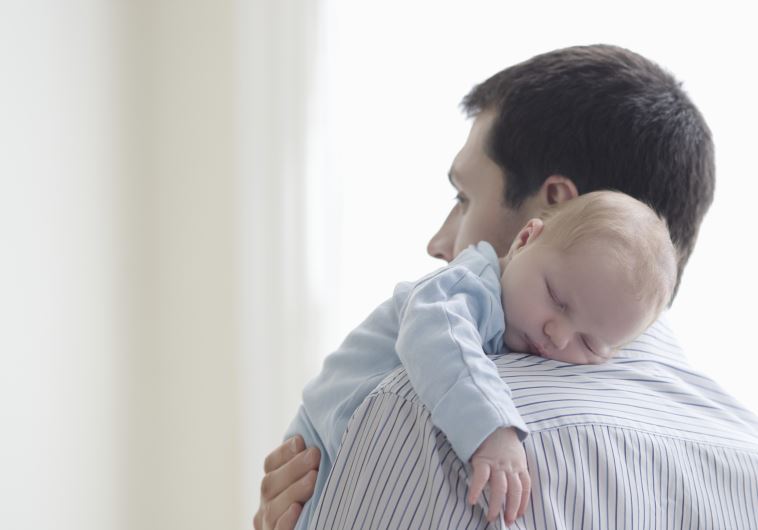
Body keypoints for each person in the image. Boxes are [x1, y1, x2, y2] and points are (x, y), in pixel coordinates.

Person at [254, 44, 758, 530]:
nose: (438, 244)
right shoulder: (743, 454)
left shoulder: (429, 407)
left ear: (551, 208)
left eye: (464, 197)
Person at [284, 190, 677, 528]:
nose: (557, 336)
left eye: (588, 344)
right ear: (525, 239)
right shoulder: (465, 286)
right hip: (321, 439)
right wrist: (491, 429)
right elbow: (435, 337)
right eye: (557, 299)